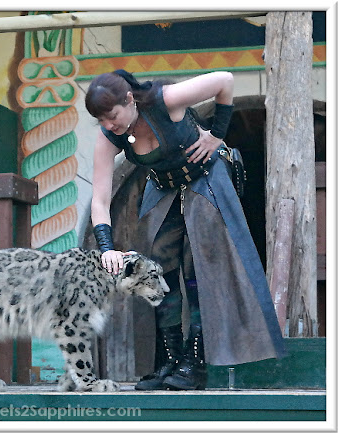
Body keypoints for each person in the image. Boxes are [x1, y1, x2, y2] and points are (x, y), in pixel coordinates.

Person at [85, 69, 286, 391]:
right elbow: (99, 198)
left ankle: (194, 364)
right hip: (162, 186)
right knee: (157, 271)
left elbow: (225, 80)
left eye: (112, 116)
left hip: (205, 179)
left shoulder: (166, 100)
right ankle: (168, 360)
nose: (109, 125)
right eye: (102, 121)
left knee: (198, 271)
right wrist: (107, 246)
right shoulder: (110, 134)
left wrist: (216, 134)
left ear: (129, 99)